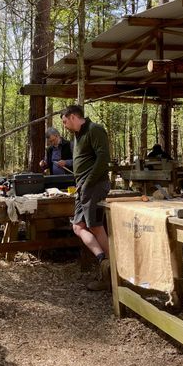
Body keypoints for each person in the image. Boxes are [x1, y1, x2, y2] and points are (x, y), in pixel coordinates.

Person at [60, 105, 111, 291]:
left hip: (95, 185)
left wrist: (88, 182)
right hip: (82, 187)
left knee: (95, 226)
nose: (64, 125)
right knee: (77, 227)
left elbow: (103, 158)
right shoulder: (77, 136)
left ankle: (114, 271)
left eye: (65, 121)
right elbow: (83, 160)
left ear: (73, 117)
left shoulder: (94, 130)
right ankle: (102, 260)